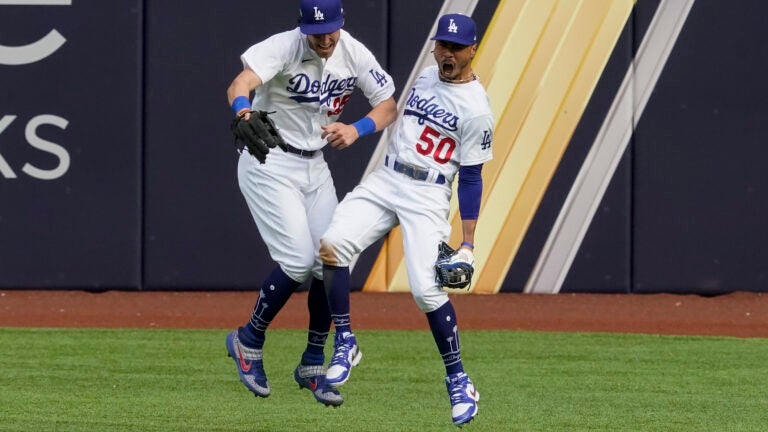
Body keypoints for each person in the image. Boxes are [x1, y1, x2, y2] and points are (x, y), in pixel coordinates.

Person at [318, 13, 493, 425]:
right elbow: (393, 112)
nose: (447, 54)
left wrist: (467, 243)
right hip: (388, 177)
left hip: (428, 193)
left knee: (426, 292)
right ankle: (345, 340)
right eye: (442, 45)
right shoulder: (427, 77)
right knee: (332, 243)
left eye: (456, 48)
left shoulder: (477, 109)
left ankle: (459, 380)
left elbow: (470, 177)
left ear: (472, 50)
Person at [223, 0, 397, 407]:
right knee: (299, 261)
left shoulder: (353, 51)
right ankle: (248, 340)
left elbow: (388, 105)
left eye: (332, 29)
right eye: (317, 32)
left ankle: (313, 361)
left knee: (332, 257)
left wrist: (357, 129)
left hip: (314, 165)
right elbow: (239, 84)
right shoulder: (283, 47)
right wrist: (244, 112)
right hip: (269, 160)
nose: (326, 38)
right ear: (302, 27)